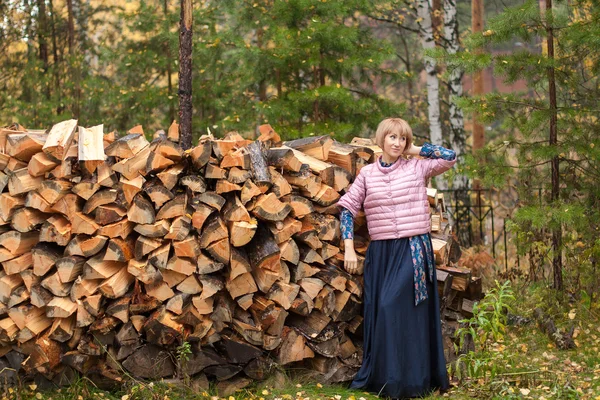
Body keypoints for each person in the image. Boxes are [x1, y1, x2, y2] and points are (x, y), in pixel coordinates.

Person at [336, 118, 456, 398]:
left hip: (413, 249)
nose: (397, 143)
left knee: (394, 307)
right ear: (381, 139)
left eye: (402, 138)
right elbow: (346, 209)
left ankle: (411, 381)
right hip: (382, 253)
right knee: (386, 312)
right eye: (392, 137)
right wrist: (349, 248)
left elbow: (450, 156)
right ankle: (389, 380)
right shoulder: (367, 174)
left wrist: (413, 150)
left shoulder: (417, 166)